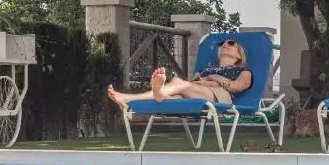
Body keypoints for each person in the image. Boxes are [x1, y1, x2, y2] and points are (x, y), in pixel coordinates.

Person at [107, 38, 253, 107]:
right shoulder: (206, 69)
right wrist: (208, 81)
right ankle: (159, 94)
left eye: (231, 43)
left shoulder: (243, 71)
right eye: (223, 44)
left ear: (239, 55)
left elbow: (236, 87)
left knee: (178, 82)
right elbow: (195, 83)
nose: (225, 44)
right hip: (200, 92)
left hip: (221, 96)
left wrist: (212, 78)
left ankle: (129, 99)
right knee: (175, 97)